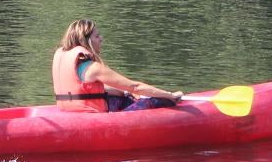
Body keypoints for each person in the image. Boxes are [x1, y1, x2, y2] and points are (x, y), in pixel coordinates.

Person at [51, 19, 184, 112]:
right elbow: (135, 86)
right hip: (89, 115)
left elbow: (87, 89)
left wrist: (124, 92)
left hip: (70, 110)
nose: (101, 38)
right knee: (161, 101)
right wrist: (169, 95)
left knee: (122, 96)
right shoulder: (93, 68)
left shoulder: (74, 63)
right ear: (86, 41)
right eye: (97, 36)